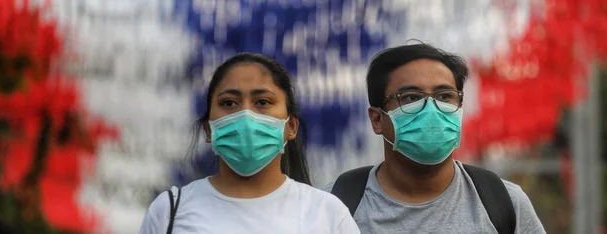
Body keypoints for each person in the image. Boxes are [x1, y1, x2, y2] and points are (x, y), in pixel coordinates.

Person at [324, 43, 546, 234]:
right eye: (411, 97)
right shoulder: (332, 208)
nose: (431, 110)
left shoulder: (503, 203)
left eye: (444, 96)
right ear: (377, 119)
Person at [140, 53, 359, 234]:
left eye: (263, 102)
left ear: (291, 126)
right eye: (229, 103)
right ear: (209, 129)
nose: (246, 116)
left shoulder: (328, 215)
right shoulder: (169, 212)